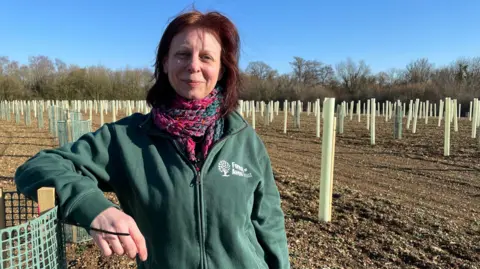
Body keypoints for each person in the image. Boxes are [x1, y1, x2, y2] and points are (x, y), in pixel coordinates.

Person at [14, 9, 290, 269]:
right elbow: (38, 167)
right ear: (165, 63)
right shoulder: (126, 139)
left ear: (221, 69)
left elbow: (269, 223)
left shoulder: (243, 139)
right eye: (183, 54)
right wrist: (94, 208)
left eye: (206, 57)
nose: (194, 65)